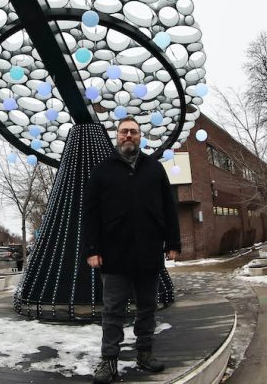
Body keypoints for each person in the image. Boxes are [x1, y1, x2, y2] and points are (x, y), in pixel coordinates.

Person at [83, 116, 181, 384]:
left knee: (147, 307)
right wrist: (92, 248)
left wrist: (173, 243)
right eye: (124, 131)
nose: (129, 136)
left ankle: (145, 354)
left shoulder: (154, 168)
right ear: (118, 136)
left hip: (148, 253)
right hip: (114, 255)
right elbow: (90, 213)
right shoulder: (103, 170)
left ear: (140, 137)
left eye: (134, 132)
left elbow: (169, 208)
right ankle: (109, 361)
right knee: (113, 310)